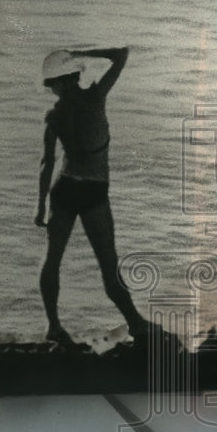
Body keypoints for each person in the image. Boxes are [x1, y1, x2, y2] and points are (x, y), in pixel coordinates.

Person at [35, 46, 160, 348]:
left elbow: (47, 163)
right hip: (92, 191)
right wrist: (81, 52)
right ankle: (137, 324)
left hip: (63, 190)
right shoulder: (95, 97)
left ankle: (53, 326)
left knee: (52, 260)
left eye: (51, 84)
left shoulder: (54, 117)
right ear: (74, 76)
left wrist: (40, 206)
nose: (51, 89)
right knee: (107, 263)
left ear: (58, 84)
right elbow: (122, 54)